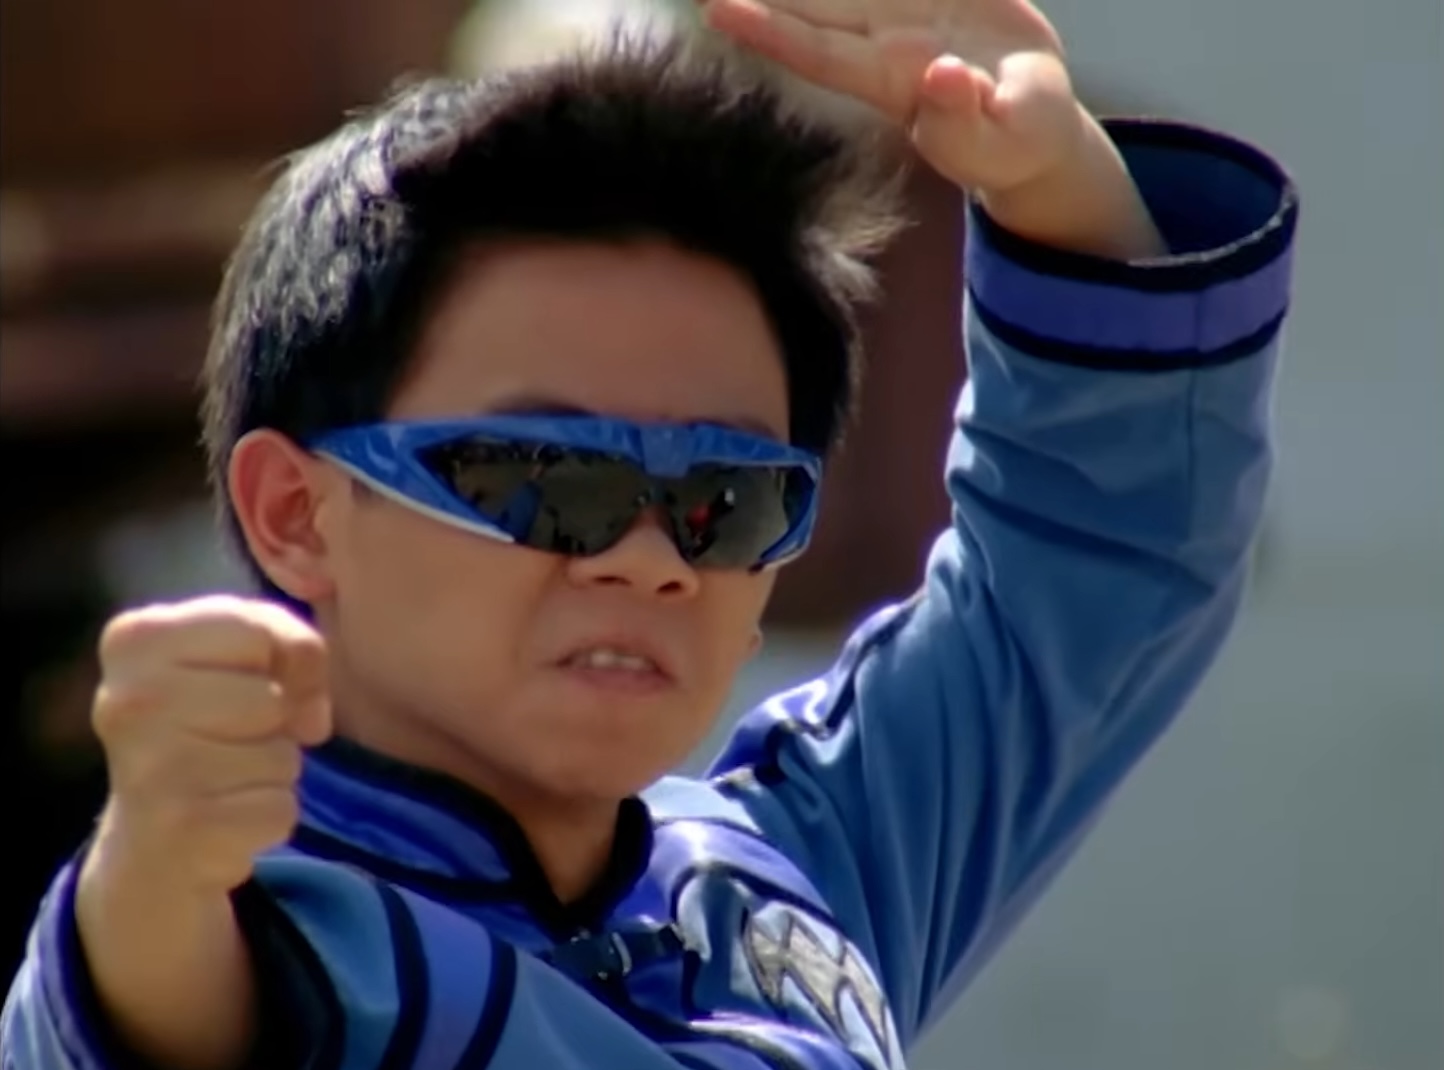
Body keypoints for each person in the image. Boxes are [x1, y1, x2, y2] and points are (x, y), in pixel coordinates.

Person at [1, 1, 1299, 1068]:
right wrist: (156, 853)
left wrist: (1054, 181)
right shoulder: (264, 931)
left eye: (727, 499)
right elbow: (154, 1004)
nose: (649, 557)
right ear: (298, 513)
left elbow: (1092, 561)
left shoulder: (804, 869)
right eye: (546, 476)